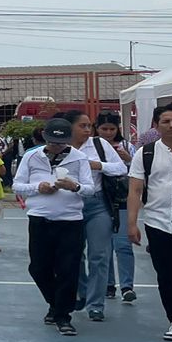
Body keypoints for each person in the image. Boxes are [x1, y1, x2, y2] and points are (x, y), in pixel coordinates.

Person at [15, 115, 97, 335]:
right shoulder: (32, 156)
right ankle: (55, 302)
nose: (57, 147)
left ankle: (63, 315)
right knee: (38, 267)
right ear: (44, 137)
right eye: (52, 142)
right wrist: (37, 188)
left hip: (70, 220)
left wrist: (74, 186)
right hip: (39, 218)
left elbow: (90, 189)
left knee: (68, 269)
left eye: (61, 143)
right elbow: (17, 185)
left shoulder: (79, 158)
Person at [127, 102, 172, 341]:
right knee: (166, 274)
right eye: (166, 121)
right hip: (157, 222)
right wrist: (132, 223)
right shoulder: (144, 154)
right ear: (156, 126)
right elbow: (135, 190)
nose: (171, 125)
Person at [62, 109, 127, 323]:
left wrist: (98, 165)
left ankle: (96, 304)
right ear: (69, 127)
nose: (88, 130)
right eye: (83, 126)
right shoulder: (60, 147)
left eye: (89, 125)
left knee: (99, 254)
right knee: (74, 254)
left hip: (97, 204)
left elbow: (121, 168)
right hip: (70, 204)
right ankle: (82, 290)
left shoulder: (99, 145)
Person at [94, 113, 137, 304]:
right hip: (101, 199)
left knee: (123, 244)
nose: (108, 133)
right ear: (97, 128)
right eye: (104, 129)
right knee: (104, 246)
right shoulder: (91, 147)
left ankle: (127, 286)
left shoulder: (126, 146)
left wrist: (128, 160)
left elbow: (138, 173)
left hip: (122, 198)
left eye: (112, 129)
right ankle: (108, 284)